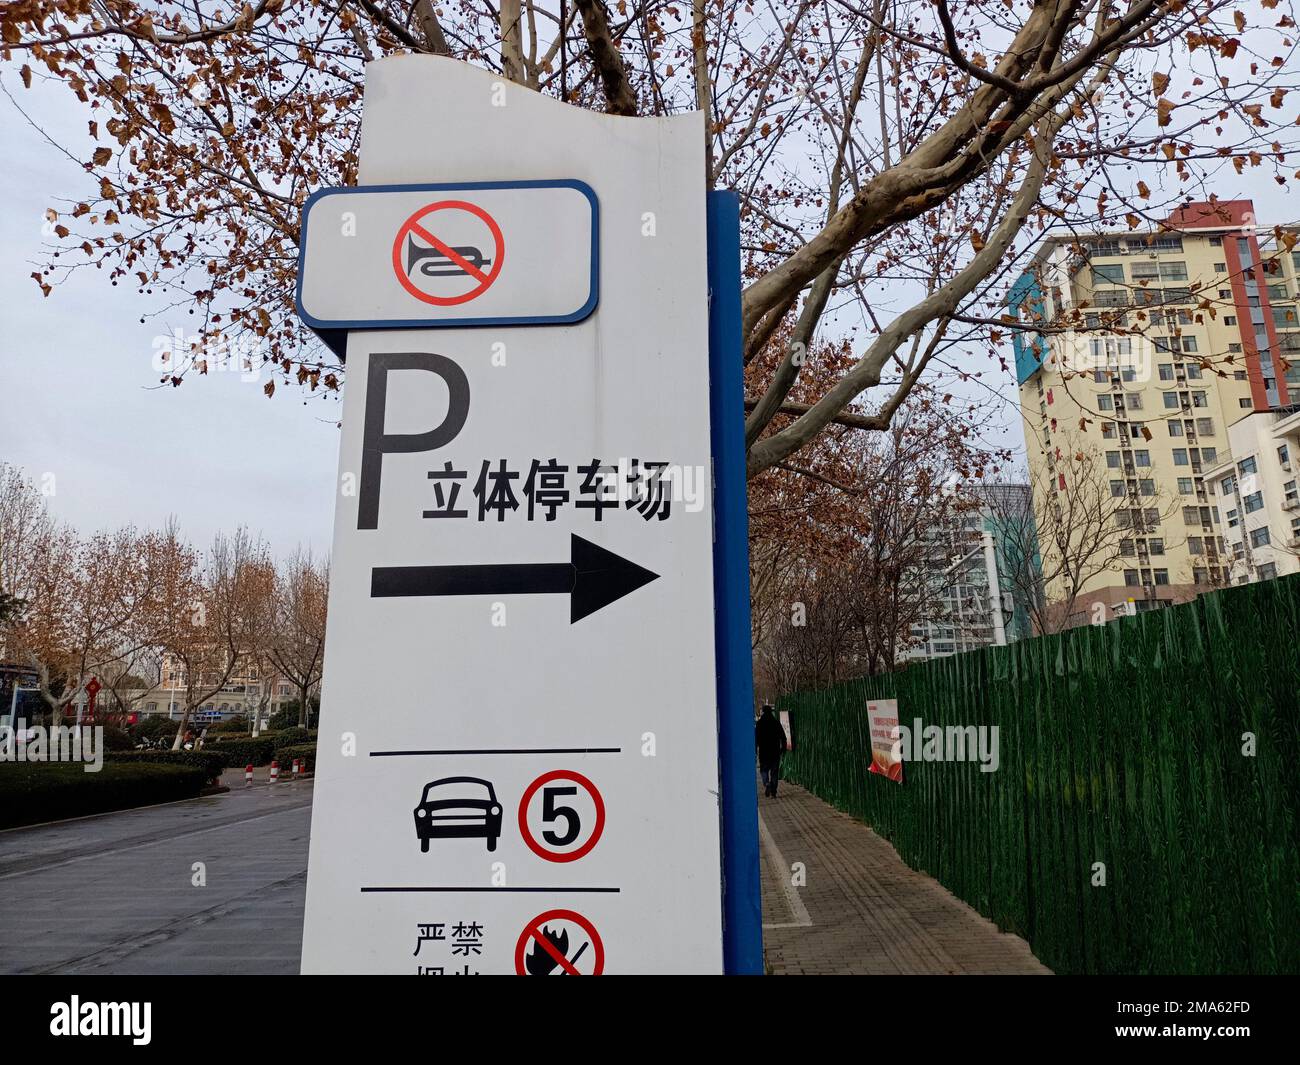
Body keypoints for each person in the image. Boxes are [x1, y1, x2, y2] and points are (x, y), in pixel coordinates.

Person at [755, 704, 788, 798]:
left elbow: (756, 738)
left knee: (763, 770)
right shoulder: (776, 723)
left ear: (763, 712)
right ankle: (773, 791)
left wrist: (755, 749)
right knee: (774, 772)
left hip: (764, 752)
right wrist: (783, 748)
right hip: (775, 751)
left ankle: (766, 783)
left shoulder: (759, 723)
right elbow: (783, 737)